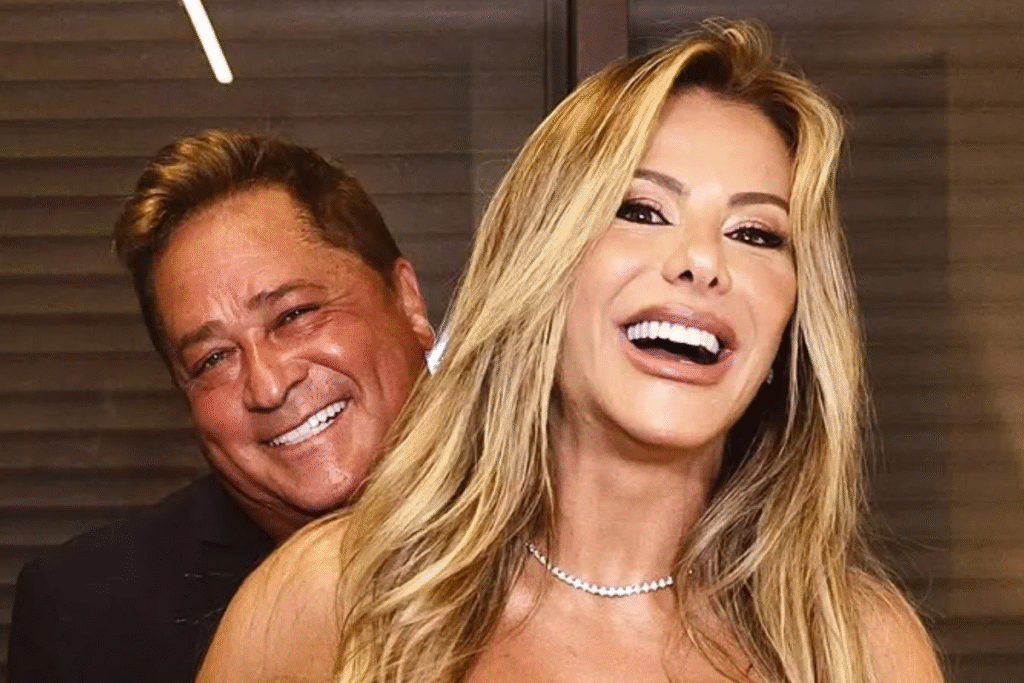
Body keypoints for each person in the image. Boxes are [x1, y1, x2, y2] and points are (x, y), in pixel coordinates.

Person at [198, 21, 944, 683]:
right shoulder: (332, 599)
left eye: (755, 234)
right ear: (541, 269)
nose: (702, 261)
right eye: (641, 210)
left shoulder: (859, 648)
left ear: (789, 324)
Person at [6, 131, 435, 683]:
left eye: (295, 315)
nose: (267, 386)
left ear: (408, 300)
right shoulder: (93, 620)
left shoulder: (545, 521)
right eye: (213, 360)